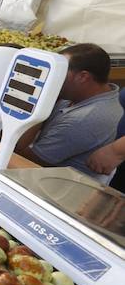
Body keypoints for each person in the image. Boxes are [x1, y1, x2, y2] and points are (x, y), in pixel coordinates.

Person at [16, 44, 123, 185]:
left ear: (83, 77)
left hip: (56, 186)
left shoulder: (84, 120)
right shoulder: (81, 95)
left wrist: (42, 104)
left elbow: (21, 156)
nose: (53, 77)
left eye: (60, 72)